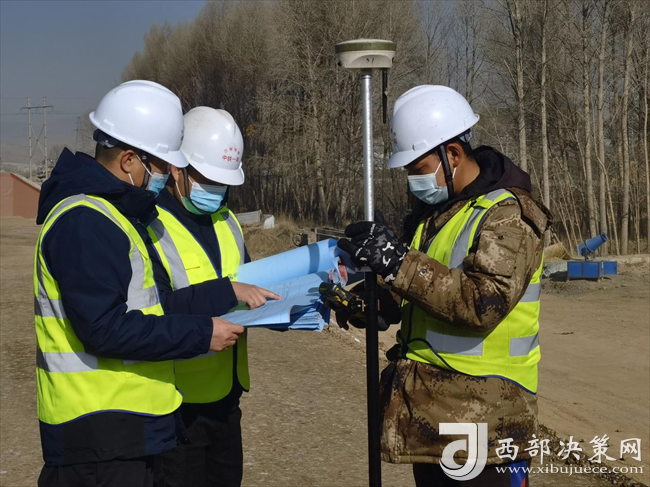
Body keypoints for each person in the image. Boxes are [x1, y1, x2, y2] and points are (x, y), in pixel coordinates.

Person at [338, 85, 552, 487]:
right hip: (433, 424)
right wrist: (378, 301)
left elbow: (483, 302)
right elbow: (423, 291)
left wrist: (398, 263)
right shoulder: (438, 215)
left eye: (417, 168)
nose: (412, 180)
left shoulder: (508, 215)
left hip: (488, 430)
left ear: (452, 154)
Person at [34, 81, 246, 487]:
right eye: (162, 166)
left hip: (123, 433)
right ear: (130, 160)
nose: (165, 176)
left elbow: (150, 306)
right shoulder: (85, 221)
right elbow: (104, 328)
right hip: (98, 436)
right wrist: (202, 334)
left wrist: (224, 296)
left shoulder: (113, 217)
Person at [146, 107, 279, 487]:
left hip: (226, 400)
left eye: (224, 182)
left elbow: (251, 286)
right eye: (209, 179)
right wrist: (226, 291)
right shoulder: (149, 226)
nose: (217, 190)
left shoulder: (228, 221)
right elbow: (155, 309)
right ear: (177, 170)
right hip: (176, 407)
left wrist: (286, 307)